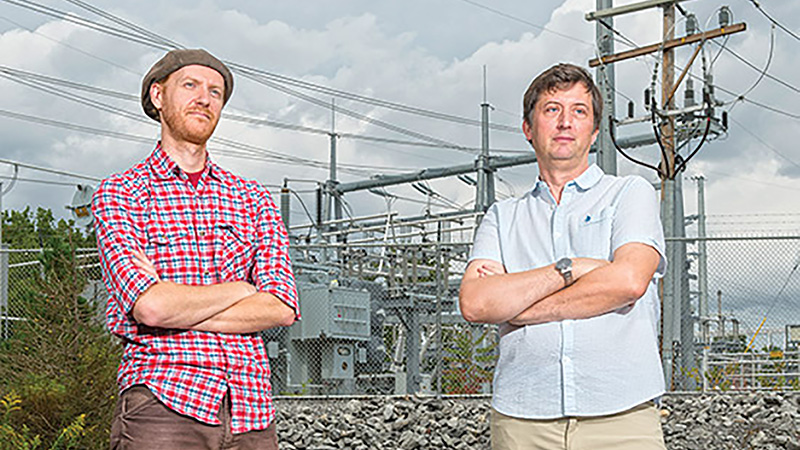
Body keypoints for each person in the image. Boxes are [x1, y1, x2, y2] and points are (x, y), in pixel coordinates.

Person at [93, 49, 299, 450]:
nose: (204, 98)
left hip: (251, 409)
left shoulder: (253, 198)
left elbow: (281, 307)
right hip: (163, 404)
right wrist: (243, 289)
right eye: (190, 85)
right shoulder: (121, 194)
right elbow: (150, 308)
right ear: (158, 96)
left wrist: (175, 303)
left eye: (216, 92)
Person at [459, 63, 667, 450]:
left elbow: (628, 282)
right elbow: (475, 302)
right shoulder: (502, 218)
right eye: (552, 109)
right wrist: (572, 269)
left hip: (621, 417)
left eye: (579, 111)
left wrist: (520, 308)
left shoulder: (629, 194)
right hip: (523, 421)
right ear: (528, 129)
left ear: (593, 130)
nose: (565, 122)